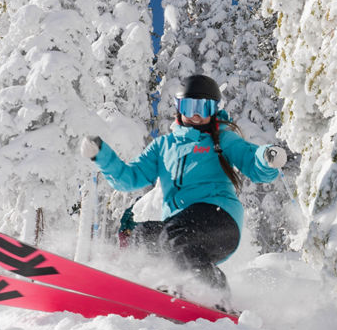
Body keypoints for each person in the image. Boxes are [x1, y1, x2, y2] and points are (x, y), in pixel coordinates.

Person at [79, 74, 286, 311]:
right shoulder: (163, 146)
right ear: (179, 108)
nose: (195, 114)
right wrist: (102, 156)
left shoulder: (222, 140)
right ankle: (149, 287)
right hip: (185, 227)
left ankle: (215, 294)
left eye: (203, 107)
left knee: (175, 234)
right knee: (139, 236)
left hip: (220, 220)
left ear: (214, 110)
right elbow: (130, 177)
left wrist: (267, 158)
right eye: (189, 106)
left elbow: (252, 160)